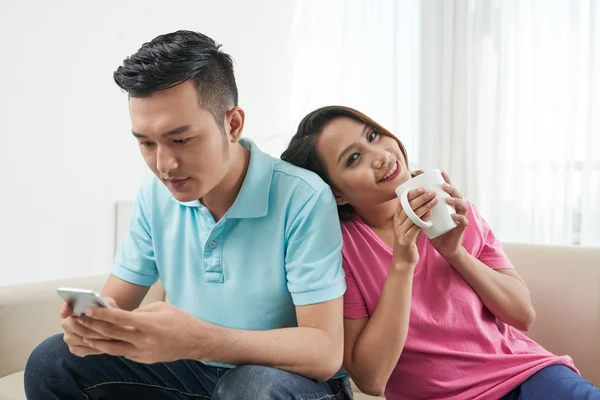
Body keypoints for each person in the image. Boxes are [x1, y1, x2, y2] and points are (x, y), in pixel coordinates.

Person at [24, 31, 353, 400]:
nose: (164, 165)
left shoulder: (303, 197)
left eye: (180, 140)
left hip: (291, 382)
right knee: (52, 361)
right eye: (146, 143)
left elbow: (324, 352)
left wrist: (199, 340)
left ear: (232, 124)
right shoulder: (155, 196)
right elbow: (117, 304)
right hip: (195, 374)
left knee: (250, 388)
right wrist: (94, 329)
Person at [281, 105, 600, 400]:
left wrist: (457, 254)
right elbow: (372, 379)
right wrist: (402, 263)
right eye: (353, 158)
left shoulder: (453, 209)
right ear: (337, 194)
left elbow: (522, 314)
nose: (380, 156)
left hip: (527, 376)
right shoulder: (337, 251)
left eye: (373, 136)